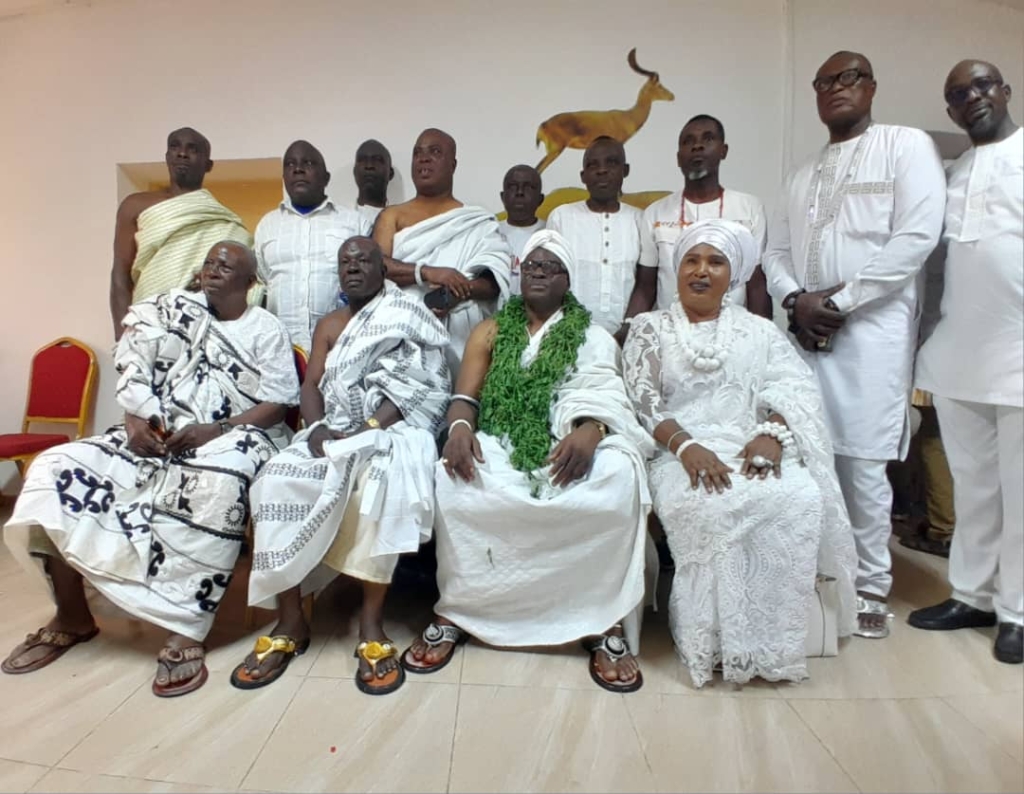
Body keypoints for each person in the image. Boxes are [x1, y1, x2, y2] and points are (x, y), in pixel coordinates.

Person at [3, 242, 298, 696]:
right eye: (210, 263)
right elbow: (137, 377)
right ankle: (72, 614)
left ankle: (186, 624)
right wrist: (134, 421)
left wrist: (213, 430)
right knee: (58, 465)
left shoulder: (265, 327)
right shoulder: (171, 315)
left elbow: (278, 403)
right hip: (161, 430)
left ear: (250, 282)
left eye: (226, 266)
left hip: (234, 434)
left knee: (217, 482)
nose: (213, 270)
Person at [403, 229, 653, 693]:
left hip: (569, 440)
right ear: (520, 276)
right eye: (532, 266)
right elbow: (464, 399)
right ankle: (460, 609)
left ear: (567, 280)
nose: (539, 273)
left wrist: (592, 429)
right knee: (454, 478)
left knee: (619, 477)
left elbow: (607, 395)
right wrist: (459, 430)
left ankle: (601, 619)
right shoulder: (490, 329)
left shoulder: (594, 337)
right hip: (501, 438)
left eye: (550, 267)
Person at [623, 219, 858, 687]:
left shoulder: (759, 331)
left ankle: (771, 643)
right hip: (674, 450)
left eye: (715, 262)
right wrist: (686, 446)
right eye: (691, 260)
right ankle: (712, 641)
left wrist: (773, 433)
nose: (701, 271)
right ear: (676, 269)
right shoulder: (649, 327)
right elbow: (642, 399)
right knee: (714, 504)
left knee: (799, 496)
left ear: (733, 275)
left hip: (751, 442)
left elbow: (795, 388)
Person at [763, 51, 945, 638]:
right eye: (824, 82)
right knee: (806, 452)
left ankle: (868, 585)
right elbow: (775, 252)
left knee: (863, 462)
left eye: (849, 78)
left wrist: (840, 302)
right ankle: (815, 573)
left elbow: (916, 237)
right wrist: (796, 300)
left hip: (872, 333)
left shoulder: (905, 146)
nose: (836, 88)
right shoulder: (800, 174)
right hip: (807, 333)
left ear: (871, 86)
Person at [235, 237, 451, 695]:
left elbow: (423, 383)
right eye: (345, 262)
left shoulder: (407, 313)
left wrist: (368, 428)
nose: (353, 267)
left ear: (382, 269)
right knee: (274, 479)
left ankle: (371, 623)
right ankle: (291, 619)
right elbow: (312, 384)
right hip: (331, 428)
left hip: (392, 428)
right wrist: (315, 429)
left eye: (363, 260)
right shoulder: (330, 324)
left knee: (380, 483)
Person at [909, 59, 1023, 665]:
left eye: (982, 85)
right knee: (975, 488)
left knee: (1022, 494)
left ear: (1005, 91)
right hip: (960, 354)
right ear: (950, 110)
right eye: (958, 94)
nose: (972, 97)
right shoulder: (952, 174)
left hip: (1019, 352)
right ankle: (973, 595)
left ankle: (1018, 612)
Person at [374, 128, 511, 375]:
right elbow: (376, 266)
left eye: (435, 152)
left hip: (462, 340)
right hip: (401, 336)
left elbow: (493, 281)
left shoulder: (476, 221)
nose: (424, 159)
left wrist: (457, 291)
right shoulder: (392, 215)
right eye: (418, 153)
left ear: (453, 165)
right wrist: (427, 272)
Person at [109, 127, 254, 339]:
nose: (182, 153)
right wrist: (122, 337)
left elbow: (246, 276)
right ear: (167, 156)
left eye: (192, 149)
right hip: (149, 324)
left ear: (208, 165)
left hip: (209, 328)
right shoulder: (135, 205)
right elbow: (120, 275)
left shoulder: (222, 219)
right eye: (175, 147)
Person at [638, 115, 773, 318]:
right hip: (671, 329)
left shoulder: (749, 208)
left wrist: (763, 333)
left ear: (723, 151)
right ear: (678, 158)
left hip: (731, 330)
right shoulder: (655, 213)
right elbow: (645, 288)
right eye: (688, 141)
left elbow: (757, 285)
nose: (697, 146)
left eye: (708, 139)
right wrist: (629, 327)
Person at [255, 140, 371, 352]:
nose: (298, 169)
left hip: (342, 346)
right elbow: (263, 279)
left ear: (326, 178)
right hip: (279, 350)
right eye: (290, 164)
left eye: (308, 163)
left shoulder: (355, 223)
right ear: (284, 178)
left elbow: (370, 282)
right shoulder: (267, 225)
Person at [546, 137, 643, 342]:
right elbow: (550, 282)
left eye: (611, 163)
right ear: (583, 176)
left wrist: (627, 330)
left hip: (628, 338)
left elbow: (646, 285)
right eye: (593, 165)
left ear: (625, 170)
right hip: (569, 338)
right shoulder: (562, 217)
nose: (602, 170)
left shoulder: (640, 220)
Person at [497, 164, 546, 296]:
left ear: (541, 199)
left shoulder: (550, 234)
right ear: (503, 197)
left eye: (528, 187)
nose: (519, 192)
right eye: (512, 186)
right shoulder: (489, 234)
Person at [353, 139, 394, 227]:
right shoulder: (339, 222)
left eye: (377, 160)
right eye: (362, 160)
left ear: (390, 173)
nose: (369, 166)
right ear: (354, 172)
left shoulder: (404, 225)